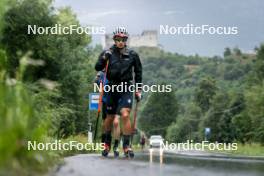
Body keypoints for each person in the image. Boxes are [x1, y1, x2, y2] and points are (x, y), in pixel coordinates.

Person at [95, 27, 142, 158]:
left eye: (123, 40)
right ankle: (106, 143)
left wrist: (138, 89)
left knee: (125, 114)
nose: (120, 42)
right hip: (111, 87)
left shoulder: (133, 55)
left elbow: (138, 73)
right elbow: (98, 67)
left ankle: (126, 145)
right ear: (114, 40)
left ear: (126, 40)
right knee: (109, 117)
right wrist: (104, 58)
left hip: (126, 87)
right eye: (118, 39)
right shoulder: (108, 52)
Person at [94, 71, 121, 157]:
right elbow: (96, 84)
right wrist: (98, 79)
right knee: (105, 122)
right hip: (106, 101)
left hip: (117, 100)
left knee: (116, 122)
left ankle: (116, 146)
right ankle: (105, 145)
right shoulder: (102, 73)